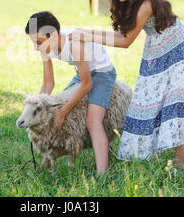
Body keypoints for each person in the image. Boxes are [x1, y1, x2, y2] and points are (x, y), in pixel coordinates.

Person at [69, 0, 184, 169]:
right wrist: (87, 32)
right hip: (160, 53)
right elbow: (121, 34)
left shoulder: (146, 5)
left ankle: (180, 165)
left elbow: (125, 41)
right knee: (147, 100)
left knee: (174, 104)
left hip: (181, 55)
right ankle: (151, 154)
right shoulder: (134, 2)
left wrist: (88, 35)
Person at [25, 11, 116, 174]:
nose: (36, 47)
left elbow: (87, 84)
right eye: (33, 43)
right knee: (52, 113)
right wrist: (35, 108)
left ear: (53, 35)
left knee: (92, 120)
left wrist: (63, 111)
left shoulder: (75, 45)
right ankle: (45, 165)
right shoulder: (46, 47)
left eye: (38, 42)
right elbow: (48, 83)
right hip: (82, 73)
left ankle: (103, 173)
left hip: (102, 72)